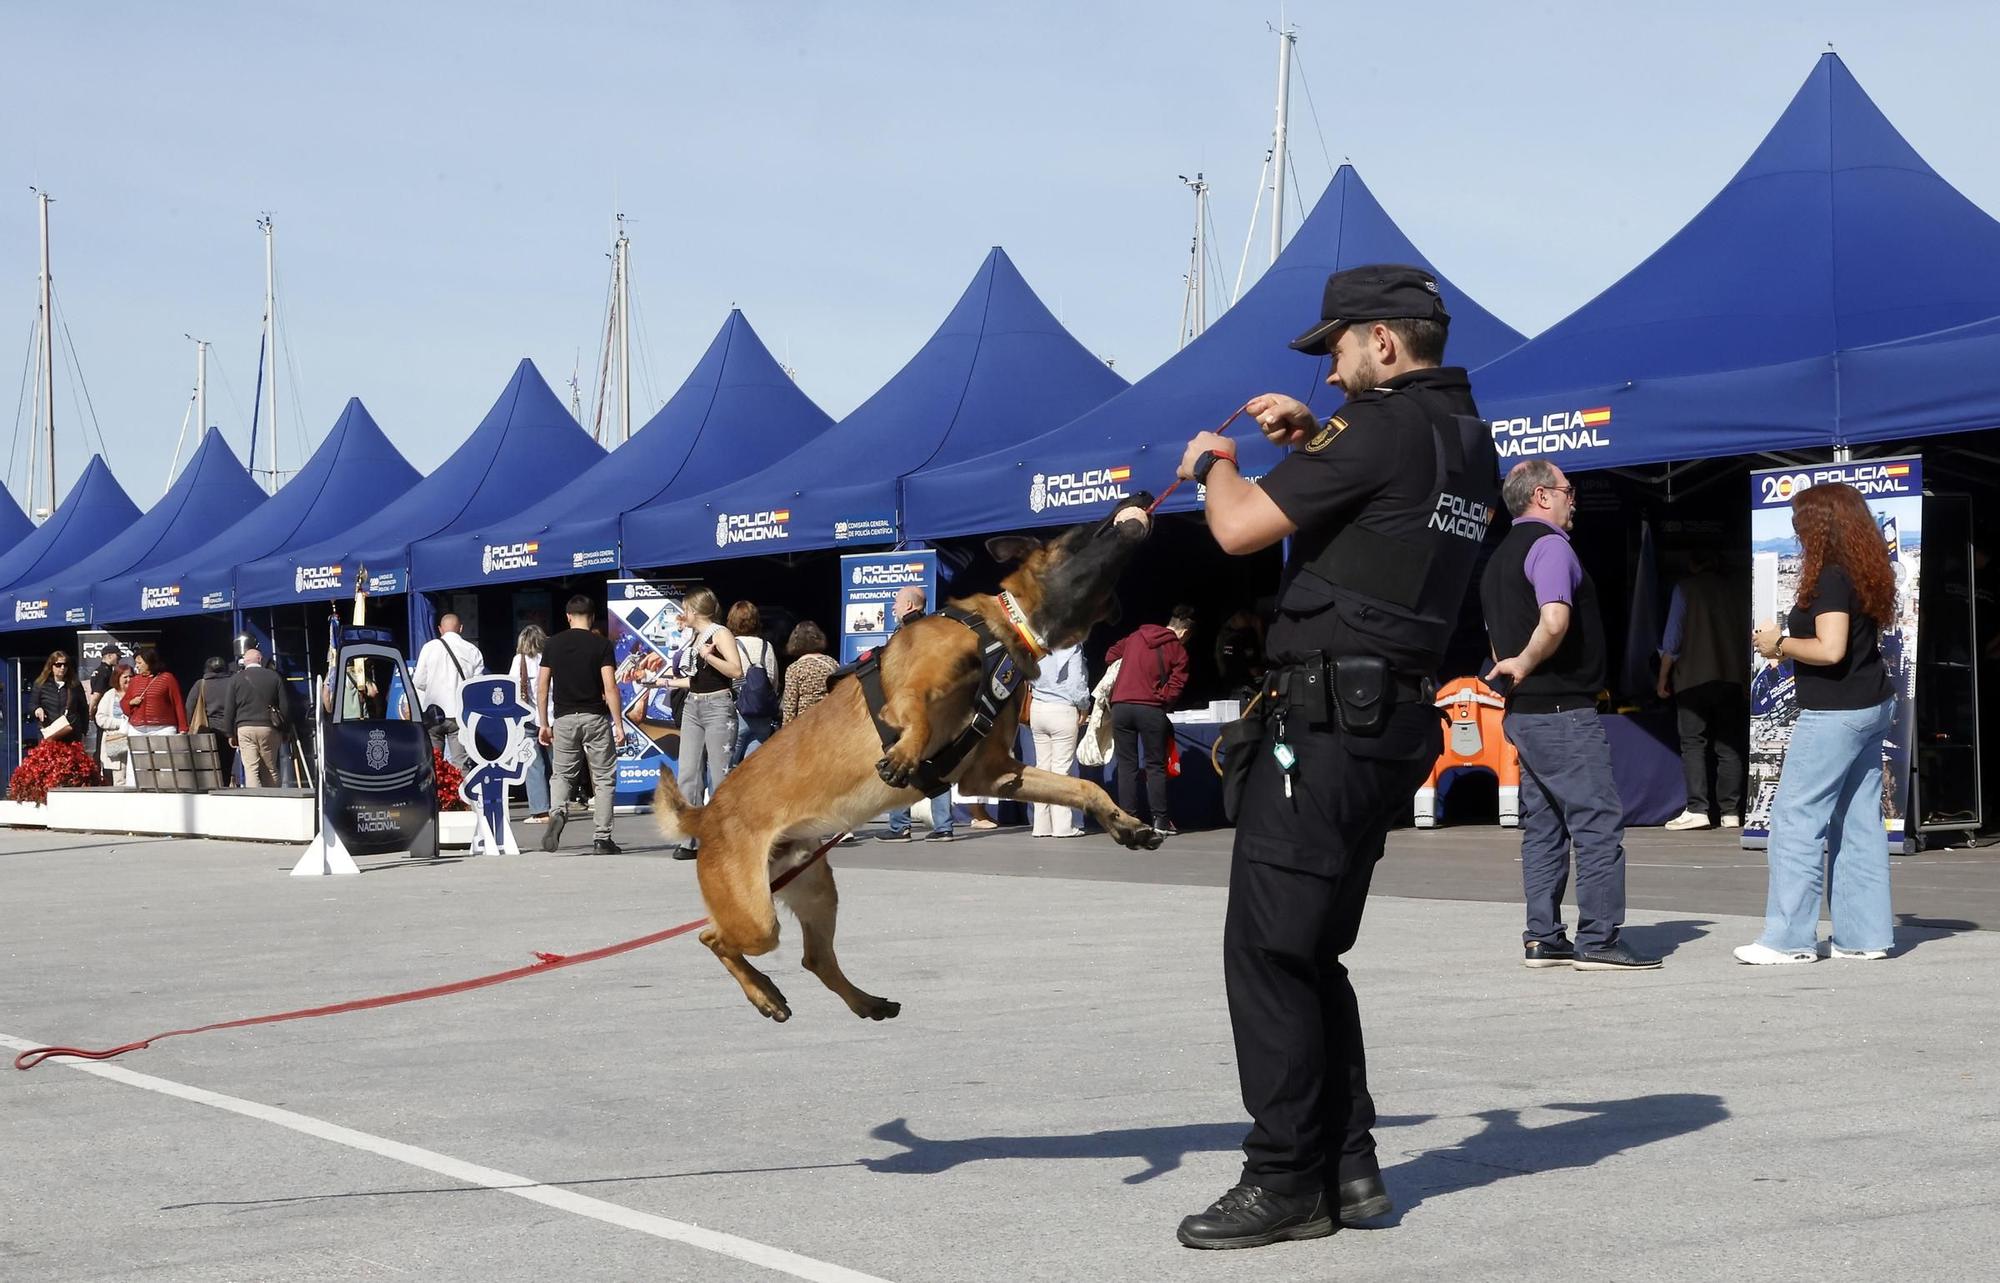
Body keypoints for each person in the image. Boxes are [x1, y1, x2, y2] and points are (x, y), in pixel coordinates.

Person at [1169, 264, 1502, 1249]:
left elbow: (1237, 527)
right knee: (1312, 947)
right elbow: (1384, 520)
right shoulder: (1465, 438)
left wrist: (1214, 462)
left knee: (1269, 949)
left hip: (1324, 724)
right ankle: (1348, 1164)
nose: (1330, 369)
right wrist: (1314, 439)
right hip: (1383, 721)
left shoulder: (1378, 426)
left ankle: (1285, 1178)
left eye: (1339, 348)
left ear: (1382, 342)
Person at [1483, 460, 1660, 973]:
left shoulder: (1498, 558)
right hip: (1563, 711)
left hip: (1525, 713)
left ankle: (1543, 938)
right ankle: (1599, 939)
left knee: (1543, 827)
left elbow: (1496, 640)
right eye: (1568, 490)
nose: (1573, 499)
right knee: (1596, 823)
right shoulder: (1551, 546)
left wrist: (1515, 667)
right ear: (1542, 496)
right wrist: (1526, 661)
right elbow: (1555, 619)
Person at [1740, 482, 1899, 964]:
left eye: (1800, 520)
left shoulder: (1830, 576)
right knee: (1859, 822)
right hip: (1871, 704)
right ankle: (1864, 937)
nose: (1795, 529)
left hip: (1835, 712)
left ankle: (1788, 940)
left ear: (1820, 525)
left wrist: (1778, 644)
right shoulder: (1863, 569)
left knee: (1795, 819)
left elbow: (1830, 650)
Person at [1657, 552, 1750, 829]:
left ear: (1692, 563)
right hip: (1731, 677)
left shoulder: (1684, 589)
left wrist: (1662, 677)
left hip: (1693, 678)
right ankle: (1731, 812)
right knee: (1729, 746)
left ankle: (1698, 808)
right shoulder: (1736, 591)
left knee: (1693, 743)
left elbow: (1672, 640)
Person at [536, 596, 626, 856]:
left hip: (564, 718)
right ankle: (602, 839)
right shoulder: (602, 644)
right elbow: (610, 687)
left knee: (562, 774)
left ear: (568, 617)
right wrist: (618, 724)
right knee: (603, 778)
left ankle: (557, 812)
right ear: (592, 616)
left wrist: (544, 723)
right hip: (595, 717)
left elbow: (542, 687)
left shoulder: (552, 644)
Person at [663, 588, 742, 859]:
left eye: (685, 609)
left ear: (694, 610)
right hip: (693, 704)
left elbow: (735, 670)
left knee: (720, 775)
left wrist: (709, 656)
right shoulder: (694, 636)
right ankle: (690, 839)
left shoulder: (720, 634)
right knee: (688, 772)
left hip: (718, 705)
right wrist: (665, 682)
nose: (682, 614)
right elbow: (698, 679)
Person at [874, 585, 954, 843]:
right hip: (937, 707)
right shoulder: (938, 630)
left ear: (909, 605)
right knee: (938, 764)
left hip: (908, 706)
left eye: (896, 602)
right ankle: (944, 827)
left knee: (901, 759)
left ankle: (900, 827)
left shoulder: (904, 634)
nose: (893, 607)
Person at [1105, 606, 1193, 837]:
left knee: (1127, 766)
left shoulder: (1136, 636)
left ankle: (1128, 821)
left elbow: (1110, 655)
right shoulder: (1178, 649)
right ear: (1184, 632)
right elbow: (1177, 684)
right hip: (1151, 709)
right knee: (1155, 766)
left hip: (1121, 706)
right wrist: (1163, 697)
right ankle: (1161, 821)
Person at [1027, 641, 1091, 838]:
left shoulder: (1036, 641)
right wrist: (1084, 705)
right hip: (1062, 708)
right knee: (1061, 770)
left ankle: (1041, 825)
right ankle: (1063, 826)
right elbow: (1076, 682)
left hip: (1037, 708)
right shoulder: (1071, 645)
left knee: (1042, 769)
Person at [411, 612, 486, 763]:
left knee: (433, 761)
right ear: (461, 628)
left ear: (440, 629)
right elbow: (477, 687)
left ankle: (435, 779)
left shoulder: (429, 648)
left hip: (434, 713)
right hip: (460, 714)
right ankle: (461, 779)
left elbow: (418, 681)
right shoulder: (472, 650)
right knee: (460, 762)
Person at [223, 647, 288, 788]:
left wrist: (229, 733)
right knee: (270, 768)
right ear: (260, 659)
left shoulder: (236, 679)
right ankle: (273, 797)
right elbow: (284, 706)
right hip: (269, 727)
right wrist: (285, 731)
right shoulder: (274, 677)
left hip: (244, 728)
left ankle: (256, 799)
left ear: (245, 662)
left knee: (251, 769)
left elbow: (229, 708)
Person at [728, 599, 783, 765]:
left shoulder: (730, 645)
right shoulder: (767, 646)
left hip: (736, 713)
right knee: (752, 768)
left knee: (726, 768)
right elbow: (773, 680)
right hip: (762, 714)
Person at [512, 625, 552, 823]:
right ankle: (559, 805)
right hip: (553, 715)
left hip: (528, 717)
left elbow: (512, 687)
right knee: (557, 764)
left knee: (533, 764)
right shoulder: (552, 658)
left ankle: (540, 810)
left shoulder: (519, 660)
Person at [779, 621, 838, 725]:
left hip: (805, 725)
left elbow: (790, 708)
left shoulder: (794, 669)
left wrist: (786, 730)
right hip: (830, 721)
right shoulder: (832, 663)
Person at [189, 656, 236, 784]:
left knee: (208, 763)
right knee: (226, 763)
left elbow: (190, 706)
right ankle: (224, 786)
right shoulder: (232, 683)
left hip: (207, 729)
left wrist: (190, 726)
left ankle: (210, 786)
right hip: (229, 730)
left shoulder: (201, 684)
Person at [123, 648, 188, 735]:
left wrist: (183, 727)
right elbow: (124, 703)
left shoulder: (167, 678)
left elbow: (178, 703)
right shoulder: (134, 681)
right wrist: (131, 702)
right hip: (137, 729)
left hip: (163, 728)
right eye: (136, 663)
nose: (137, 666)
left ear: (150, 662)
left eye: (139, 663)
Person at [28, 651, 88, 746]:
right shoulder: (41, 684)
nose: (62, 668)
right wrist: (37, 709)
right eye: (58, 665)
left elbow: (83, 709)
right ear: (51, 666)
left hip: (71, 734)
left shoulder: (74, 685)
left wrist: (84, 731)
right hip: (49, 732)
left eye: (65, 665)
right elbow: (32, 704)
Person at [95, 663, 134, 786]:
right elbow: (100, 718)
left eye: (131, 676)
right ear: (117, 678)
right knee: (120, 780)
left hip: (134, 741)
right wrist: (121, 723)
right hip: (116, 742)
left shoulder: (137, 693)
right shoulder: (110, 695)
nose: (129, 680)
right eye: (125, 677)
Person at [85, 640, 122, 755]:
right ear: (109, 656)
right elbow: (96, 694)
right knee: (103, 742)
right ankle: (100, 762)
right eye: (118, 656)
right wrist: (91, 711)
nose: (119, 659)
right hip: (103, 712)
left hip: (103, 711)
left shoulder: (101, 671)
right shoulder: (103, 672)